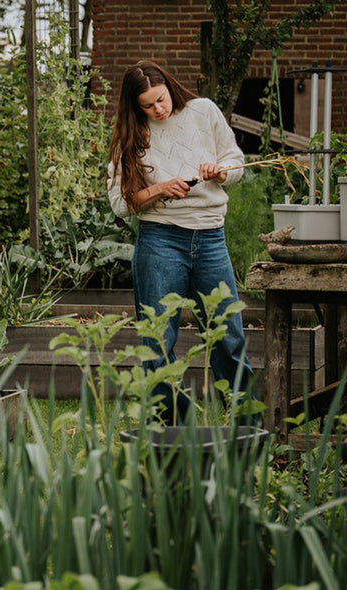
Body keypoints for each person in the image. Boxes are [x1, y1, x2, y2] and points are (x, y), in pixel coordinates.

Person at [107, 59, 256, 424]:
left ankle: (247, 424)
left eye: (161, 99)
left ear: (169, 87)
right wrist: (157, 190)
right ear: (134, 106)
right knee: (157, 339)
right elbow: (120, 204)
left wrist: (222, 171)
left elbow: (234, 160)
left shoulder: (203, 111)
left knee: (227, 333)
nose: (159, 109)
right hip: (161, 240)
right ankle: (173, 427)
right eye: (148, 105)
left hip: (210, 238)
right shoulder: (130, 137)